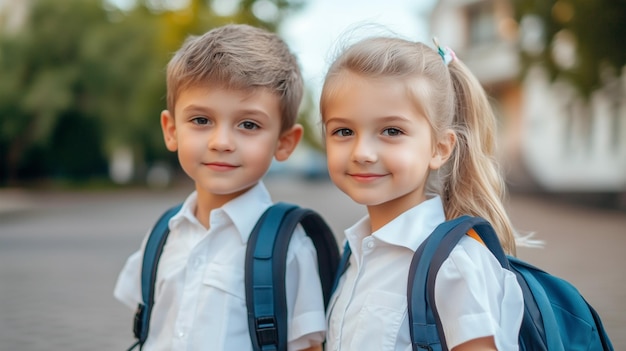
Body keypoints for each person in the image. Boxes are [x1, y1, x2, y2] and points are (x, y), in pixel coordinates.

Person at [114, 24, 325, 351]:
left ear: (285, 142)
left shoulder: (289, 249)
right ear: (171, 131)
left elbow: (308, 346)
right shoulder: (163, 235)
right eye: (201, 120)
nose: (221, 142)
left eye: (248, 124)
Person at [320, 35, 525, 351]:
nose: (362, 152)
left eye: (392, 131)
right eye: (343, 131)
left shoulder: (456, 265)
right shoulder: (353, 253)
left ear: (440, 148)